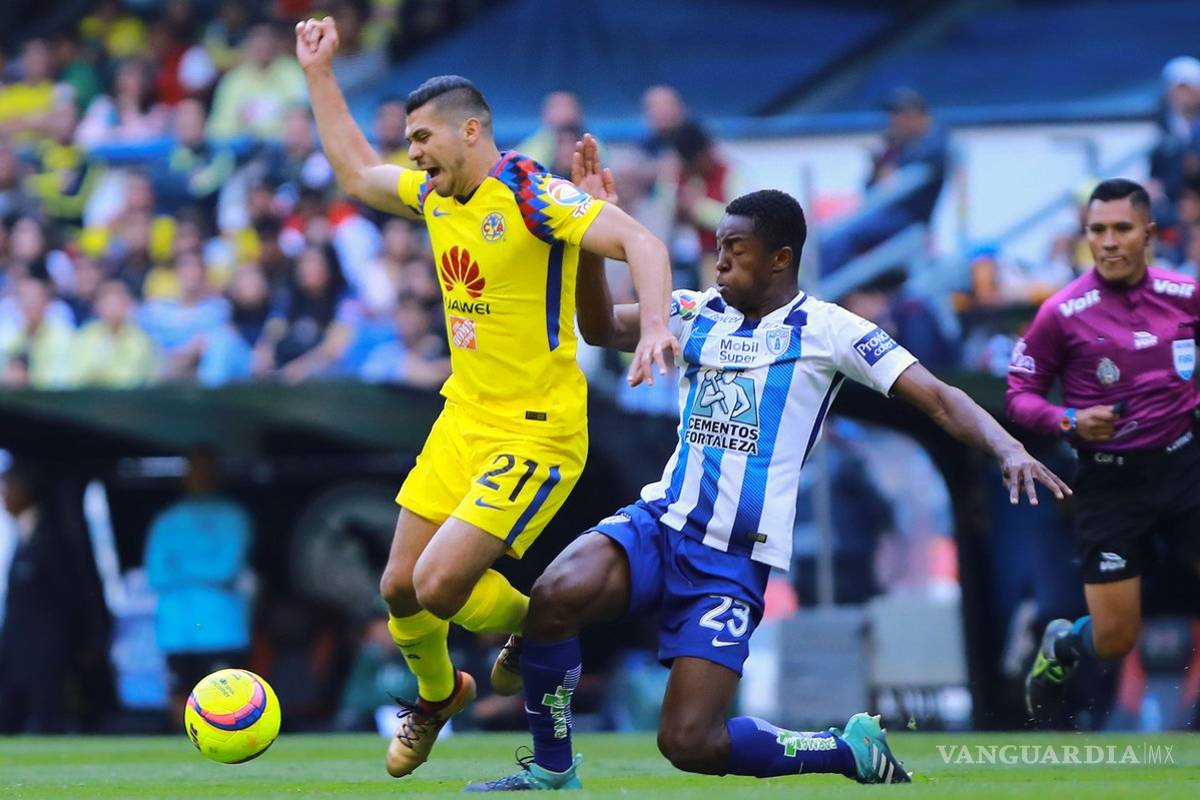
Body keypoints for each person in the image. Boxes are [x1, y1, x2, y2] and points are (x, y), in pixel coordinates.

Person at [468, 144, 1069, 790]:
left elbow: (940, 397)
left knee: (689, 742)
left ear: (781, 258)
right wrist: (588, 232)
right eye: (719, 245)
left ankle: (845, 750)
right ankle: (552, 771)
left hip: (730, 559)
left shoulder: (832, 330)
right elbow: (593, 326)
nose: (719, 258)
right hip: (659, 522)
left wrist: (1007, 445)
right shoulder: (694, 311)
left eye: (736, 248)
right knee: (555, 596)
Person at [293, 16, 678, 778]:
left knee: (440, 584)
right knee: (399, 586)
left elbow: (645, 242)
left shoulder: (533, 194)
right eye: (408, 141)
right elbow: (354, 175)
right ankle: (440, 696)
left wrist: (659, 325)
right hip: (463, 415)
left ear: (472, 132)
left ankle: (538, 625)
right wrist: (319, 73)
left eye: (424, 138)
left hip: (536, 429)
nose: (413, 154)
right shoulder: (437, 198)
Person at [1006, 178, 1200, 723]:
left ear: (1150, 234)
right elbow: (1019, 394)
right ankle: (1063, 648)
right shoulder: (1062, 312)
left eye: (1122, 229)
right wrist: (1066, 419)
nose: (1109, 241)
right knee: (1116, 638)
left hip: (1185, 465)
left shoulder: (1187, 295)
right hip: (1110, 482)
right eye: (1098, 230)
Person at [144, 449, 253, 723]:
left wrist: (180, 567)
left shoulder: (234, 516)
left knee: (228, 700)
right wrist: (204, 570)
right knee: (180, 695)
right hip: (177, 629)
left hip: (221, 628)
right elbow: (156, 575)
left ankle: (226, 749)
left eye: (207, 469)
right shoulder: (166, 519)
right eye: (195, 469)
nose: (200, 476)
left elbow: (226, 569)